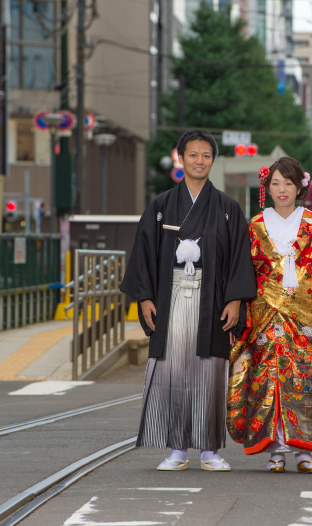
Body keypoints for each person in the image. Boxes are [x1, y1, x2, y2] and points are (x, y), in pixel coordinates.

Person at [120, 129, 256, 472]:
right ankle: (177, 448)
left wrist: (235, 301)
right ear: (181, 158)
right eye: (193, 154)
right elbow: (145, 254)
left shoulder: (227, 207)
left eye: (206, 155)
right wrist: (146, 297)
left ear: (213, 160)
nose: (199, 161)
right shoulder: (161, 205)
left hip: (212, 298)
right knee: (172, 371)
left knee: (211, 369)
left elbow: (240, 258)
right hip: (171, 296)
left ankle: (210, 448)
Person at [227, 157, 312, 474]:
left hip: (307, 317)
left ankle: (304, 451)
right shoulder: (255, 225)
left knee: (307, 384)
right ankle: (275, 450)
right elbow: (241, 272)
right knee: (268, 382)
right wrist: (239, 310)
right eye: (275, 183)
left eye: (288, 183)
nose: (281, 190)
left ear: (299, 187)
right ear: (267, 187)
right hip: (265, 316)